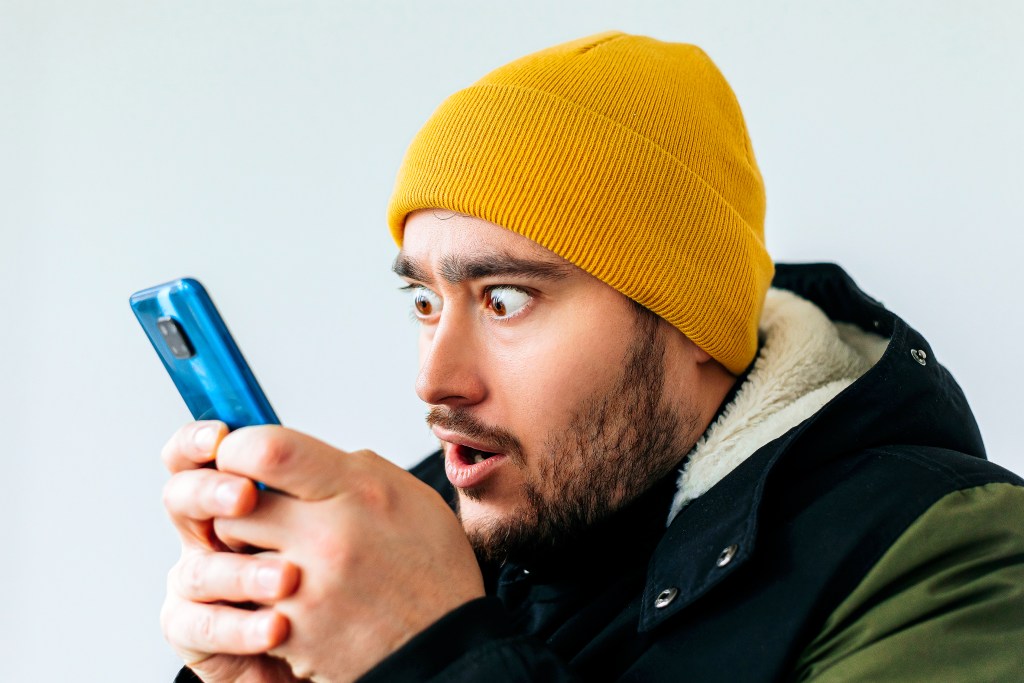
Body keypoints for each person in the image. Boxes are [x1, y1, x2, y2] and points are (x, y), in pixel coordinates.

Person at [160, 31, 1024, 682]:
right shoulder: (425, 531)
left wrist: (431, 655)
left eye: (506, 299)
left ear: (689, 317)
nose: (434, 379)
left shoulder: (950, 555)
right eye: (425, 301)